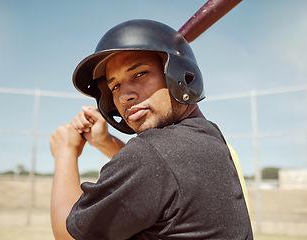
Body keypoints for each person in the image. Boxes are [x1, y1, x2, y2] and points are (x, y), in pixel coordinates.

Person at [50, 19, 253, 240]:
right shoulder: (209, 137)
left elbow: (68, 235)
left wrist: (65, 153)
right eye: (115, 86)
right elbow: (160, 175)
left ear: (178, 74)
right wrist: (105, 141)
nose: (124, 95)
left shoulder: (153, 156)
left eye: (139, 74)